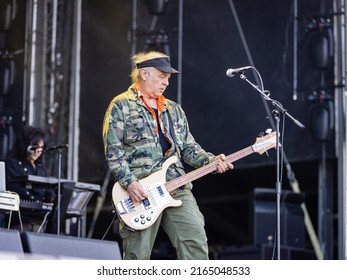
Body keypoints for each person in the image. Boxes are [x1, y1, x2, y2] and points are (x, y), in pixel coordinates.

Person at [102, 51, 233, 260]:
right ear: (144, 74)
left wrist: (211, 160)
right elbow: (113, 151)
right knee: (137, 255)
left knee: (195, 242)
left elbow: (189, 148)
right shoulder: (121, 106)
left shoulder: (174, 110)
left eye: (168, 78)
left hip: (176, 186)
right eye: (161, 76)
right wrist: (129, 182)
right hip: (140, 192)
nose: (166, 82)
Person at [4, 125, 56, 232]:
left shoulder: (42, 169)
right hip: (20, 222)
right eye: (34, 147)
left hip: (40, 224)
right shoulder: (12, 164)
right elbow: (14, 190)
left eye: (40, 149)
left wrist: (50, 200)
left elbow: (48, 192)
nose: (37, 151)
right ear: (25, 144)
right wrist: (36, 202)